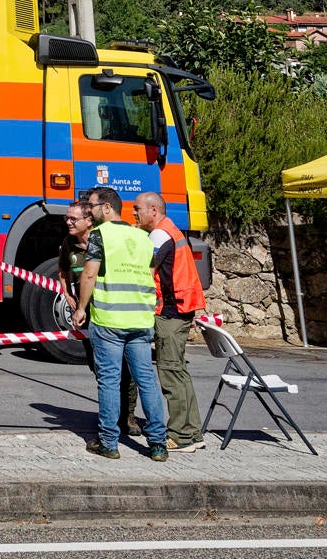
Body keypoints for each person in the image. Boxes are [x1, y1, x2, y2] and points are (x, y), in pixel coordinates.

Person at [73, 186, 169, 462]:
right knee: (147, 381)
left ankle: (108, 442)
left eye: (91, 206)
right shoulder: (142, 237)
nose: (88, 211)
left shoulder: (99, 235)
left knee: (110, 381)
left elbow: (89, 275)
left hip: (110, 319)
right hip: (140, 319)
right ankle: (158, 444)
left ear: (106, 208)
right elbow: (149, 274)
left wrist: (81, 307)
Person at [126, 190, 207, 452]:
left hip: (171, 312)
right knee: (179, 373)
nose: (133, 212)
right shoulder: (171, 230)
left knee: (170, 373)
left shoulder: (160, 234)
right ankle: (192, 432)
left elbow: (144, 271)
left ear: (153, 210)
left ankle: (181, 437)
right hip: (181, 309)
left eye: (137, 208)